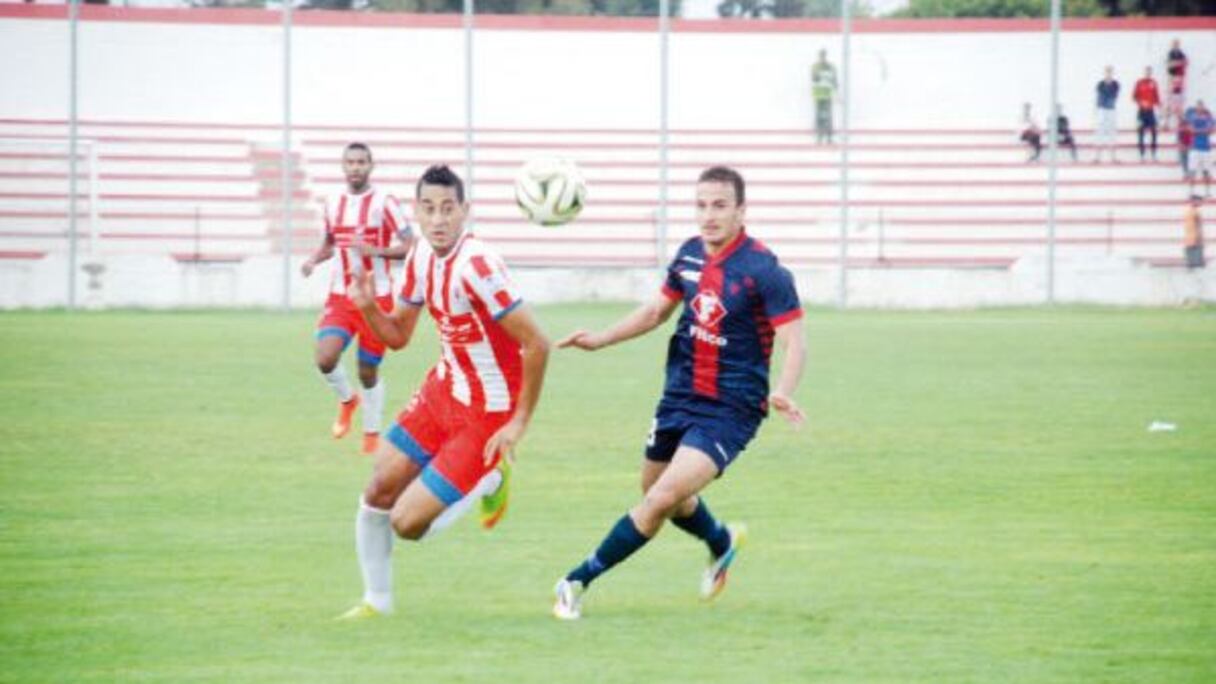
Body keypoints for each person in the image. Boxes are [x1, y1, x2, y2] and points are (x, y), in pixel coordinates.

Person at [551, 166, 806, 621]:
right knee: (656, 490)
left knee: (659, 500)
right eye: (701, 205)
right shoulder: (689, 255)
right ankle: (721, 541)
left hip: (731, 409)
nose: (708, 216)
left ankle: (576, 581)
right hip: (679, 395)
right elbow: (655, 312)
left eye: (720, 205)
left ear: (741, 210)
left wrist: (783, 391)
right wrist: (601, 339)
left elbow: (795, 342)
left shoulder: (764, 271)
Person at [336, 164, 551, 619]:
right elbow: (397, 336)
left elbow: (537, 342)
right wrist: (367, 306)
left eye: (448, 209)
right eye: (429, 209)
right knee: (377, 490)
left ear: (464, 212)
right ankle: (377, 604)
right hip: (443, 392)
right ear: (416, 211)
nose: (438, 219)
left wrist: (519, 422)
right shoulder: (417, 257)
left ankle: (491, 477)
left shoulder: (477, 265)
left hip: (488, 412)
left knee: (407, 524)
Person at [301, 143, 413, 455]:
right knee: (325, 358)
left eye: (361, 162)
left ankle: (371, 432)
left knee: (367, 370)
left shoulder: (385, 203)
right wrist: (313, 260)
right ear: (343, 166)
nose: (355, 167)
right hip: (342, 297)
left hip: (377, 300)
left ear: (371, 166)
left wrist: (375, 251)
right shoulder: (332, 202)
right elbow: (329, 243)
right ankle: (348, 401)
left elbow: (410, 245)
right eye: (350, 162)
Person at [1133, 67, 1160, 162]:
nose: (1148, 73)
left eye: (1149, 72)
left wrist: (1160, 107)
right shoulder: (1139, 83)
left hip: (1151, 112)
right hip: (1141, 112)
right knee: (1140, 133)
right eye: (1146, 72)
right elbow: (1134, 97)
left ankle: (1154, 154)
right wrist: (1141, 102)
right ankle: (1141, 155)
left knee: (1154, 132)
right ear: (1144, 72)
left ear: (1151, 73)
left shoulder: (1154, 83)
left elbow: (1157, 98)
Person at [1186, 101, 1213, 198]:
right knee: (1192, 171)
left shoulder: (1209, 117)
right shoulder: (1192, 117)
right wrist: (1202, 131)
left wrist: (1198, 131)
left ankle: (1207, 192)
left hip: (1206, 148)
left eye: (1201, 107)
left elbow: (1210, 130)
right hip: (1195, 148)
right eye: (1198, 107)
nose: (1200, 109)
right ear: (1196, 108)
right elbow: (1191, 130)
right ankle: (1191, 191)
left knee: (1206, 171)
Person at [811, 49, 837, 145]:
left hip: (827, 94)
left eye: (824, 55)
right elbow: (814, 78)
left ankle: (829, 136)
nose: (823, 57)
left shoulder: (831, 67)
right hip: (819, 94)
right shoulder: (815, 67)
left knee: (828, 115)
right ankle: (819, 135)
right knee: (819, 115)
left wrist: (835, 90)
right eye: (821, 55)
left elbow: (834, 80)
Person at [1094, 66, 1120, 164]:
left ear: (1112, 73)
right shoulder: (1100, 84)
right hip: (1102, 109)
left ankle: (1113, 157)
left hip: (1111, 110)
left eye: (1110, 72)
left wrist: (1107, 97)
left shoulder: (1115, 84)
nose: (1108, 74)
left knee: (1112, 132)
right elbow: (1100, 97)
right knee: (1099, 131)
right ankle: (1097, 157)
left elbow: (1114, 96)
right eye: (1107, 72)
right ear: (1104, 73)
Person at [1184, 195, 1204, 270]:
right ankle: (1194, 266)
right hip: (1194, 237)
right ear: (1194, 201)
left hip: (1190, 236)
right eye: (1199, 201)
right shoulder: (1195, 212)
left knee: (1191, 254)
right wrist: (1199, 237)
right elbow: (1198, 225)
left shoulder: (1188, 210)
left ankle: (1192, 266)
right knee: (1195, 255)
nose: (1201, 203)